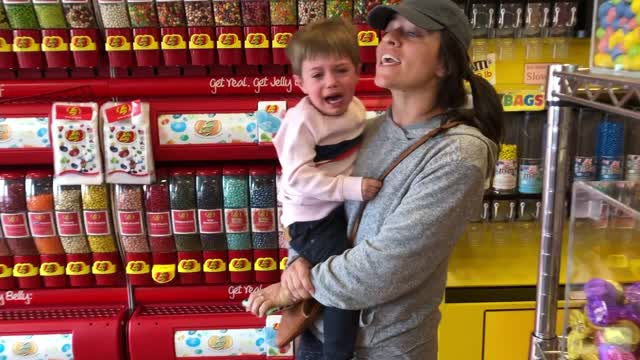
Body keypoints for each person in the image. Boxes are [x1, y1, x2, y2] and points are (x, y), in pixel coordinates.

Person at [247, 0, 503, 358]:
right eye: (388, 32)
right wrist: (297, 261)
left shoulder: (458, 153)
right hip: (315, 331)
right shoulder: (367, 129)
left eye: (411, 33)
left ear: (445, 63)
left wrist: (293, 289)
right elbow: (309, 202)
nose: (389, 41)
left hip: (384, 349)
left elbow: (387, 265)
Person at [269, 17, 383, 360]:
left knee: (329, 271)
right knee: (340, 279)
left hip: (333, 208)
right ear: (300, 82)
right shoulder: (301, 122)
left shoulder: (356, 108)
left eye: (341, 70)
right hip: (311, 218)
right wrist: (352, 188)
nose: (331, 82)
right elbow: (297, 179)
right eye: (318, 75)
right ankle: (337, 351)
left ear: (359, 71)